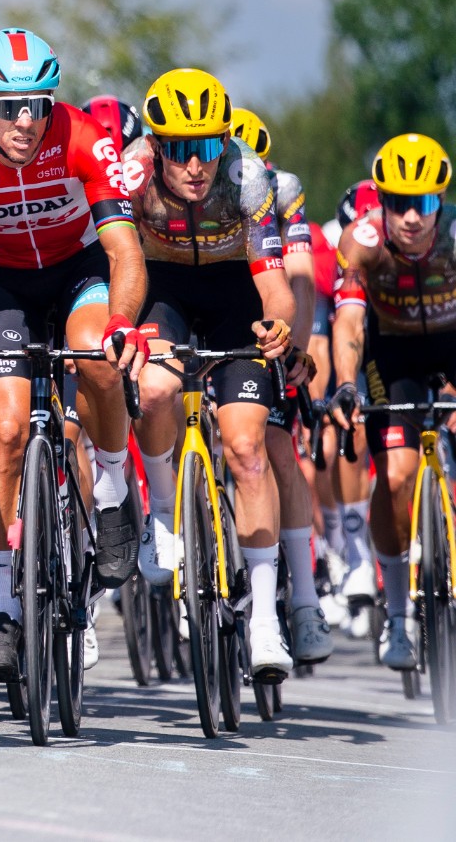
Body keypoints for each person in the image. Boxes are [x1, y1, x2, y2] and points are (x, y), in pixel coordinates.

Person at [0, 29, 148, 683]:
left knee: (98, 357)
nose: (25, 120)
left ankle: (109, 493)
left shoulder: (80, 138)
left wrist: (125, 322)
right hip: (3, 282)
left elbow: (125, 252)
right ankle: (3, 607)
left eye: (37, 105)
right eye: (10, 106)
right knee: (8, 429)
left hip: (80, 271)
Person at [124, 68, 301, 676]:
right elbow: (117, 259)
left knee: (248, 448)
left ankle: (265, 622)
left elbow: (273, 282)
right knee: (154, 390)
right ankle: (164, 517)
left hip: (234, 298)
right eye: (179, 148)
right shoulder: (130, 175)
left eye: (206, 147)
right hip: (164, 292)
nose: (195, 165)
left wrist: (278, 325)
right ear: (155, 146)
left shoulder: (249, 178)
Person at [331, 132, 455, 670]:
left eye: (423, 204)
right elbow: (350, 320)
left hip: (451, 345)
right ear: (380, 203)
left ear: (440, 204)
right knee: (398, 476)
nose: (410, 217)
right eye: (399, 204)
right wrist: (345, 383)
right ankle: (401, 614)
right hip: (391, 356)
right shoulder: (362, 243)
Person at [228, 107, 333, 663]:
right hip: (210, 305)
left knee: (273, 448)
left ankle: (306, 600)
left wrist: (298, 349)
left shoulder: (281, 191)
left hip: (269, 314)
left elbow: (300, 278)